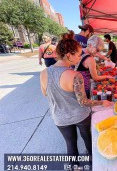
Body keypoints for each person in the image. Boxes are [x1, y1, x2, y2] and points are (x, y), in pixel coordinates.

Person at [40, 31, 111, 167]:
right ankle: (94, 165)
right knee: (88, 140)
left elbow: (45, 94)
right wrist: (103, 102)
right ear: (68, 55)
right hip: (80, 116)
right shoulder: (74, 75)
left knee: (70, 144)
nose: (79, 58)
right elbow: (83, 102)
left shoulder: (44, 73)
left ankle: (74, 167)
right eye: (78, 55)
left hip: (60, 118)